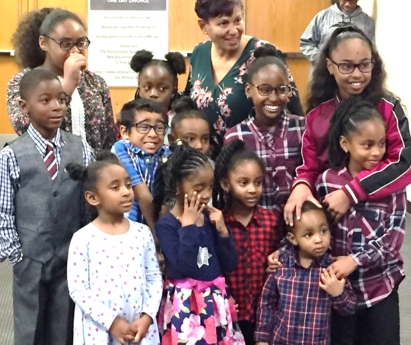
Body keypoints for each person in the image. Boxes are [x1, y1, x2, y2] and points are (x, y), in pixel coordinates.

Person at [0, 69, 94, 345]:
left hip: (69, 257)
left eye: (62, 100)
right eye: (46, 100)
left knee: (64, 327)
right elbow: (3, 210)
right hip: (30, 258)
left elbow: (89, 201)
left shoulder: (81, 148)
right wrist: (16, 254)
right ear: (24, 107)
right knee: (30, 328)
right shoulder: (11, 155)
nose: (57, 107)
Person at [283, 25, 411, 226]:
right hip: (330, 215)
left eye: (364, 64)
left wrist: (351, 193)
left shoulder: (388, 108)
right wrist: (302, 185)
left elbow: (404, 162)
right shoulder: (317, 115)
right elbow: (309, 166)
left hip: (380, 213)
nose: (357, 75)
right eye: (346, 66)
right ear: (330, 66)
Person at [316, 98, 406, 345]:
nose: (376, 152)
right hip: (337, 291)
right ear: (345, 143)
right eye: (367, 145)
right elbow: (315, 231)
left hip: (379, 289)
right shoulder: (327, 182)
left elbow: (391, 242)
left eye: (381, 144)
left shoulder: (392, 186)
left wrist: (354, 261)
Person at [153, 141, 244, 345]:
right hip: (186, 306)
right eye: (198, 188)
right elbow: (185, 266)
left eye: (210, 186)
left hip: (215, 302)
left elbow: (229, 264)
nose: (206, 194)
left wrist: (222, 232)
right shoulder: (166, 225)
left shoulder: (210, 219)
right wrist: (188, 227)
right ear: (177, 186)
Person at [66, 151, 163, 345]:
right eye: (115, 187)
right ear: (93, 198)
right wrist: (112, 322)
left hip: (140, 330)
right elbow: (78, 289)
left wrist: (147, 317)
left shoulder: (142, 233)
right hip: (100, 331)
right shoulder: (83, 239)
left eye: (128, 185)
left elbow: (154, 278)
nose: (126, 191)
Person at [185, 0, 303, 146]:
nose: (234, 30)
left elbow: (293, 110)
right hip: (206, 160)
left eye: (238, 20)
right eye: (223, 23)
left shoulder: (263, 53)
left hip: (254, 157)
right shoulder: (199, 53)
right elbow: (188, 106)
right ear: (203, 26)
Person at [7, 8, 118, 152]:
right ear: (43, 43)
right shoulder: (23, 81)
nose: (75, 51)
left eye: (81, 43)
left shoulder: (96, 83)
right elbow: (23, 127)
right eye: (66, 44)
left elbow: (109, 138)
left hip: (91, 171)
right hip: (45, 170)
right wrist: (67, 86)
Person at [255, 201, 356, 345]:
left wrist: (338, 293)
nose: (318, 239)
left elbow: (349, 308)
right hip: (281, 341)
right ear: (293, 239)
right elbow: (267, 303)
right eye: (309, 235)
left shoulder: (332, 269)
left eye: (323, 231)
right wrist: (262, 338)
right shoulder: (280, 266)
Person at [213, 139, 280, 345]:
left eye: (258, 182)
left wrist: (277, 257)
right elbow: (213, 267)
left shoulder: (271, 220)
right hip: (231, 311)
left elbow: (279, 256)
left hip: (265, 313)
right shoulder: (218, 222)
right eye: (243, 183)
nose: (252, 189)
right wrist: (224, 298)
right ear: (226, 184)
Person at [225, 45, 305, 215]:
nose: (274, 98)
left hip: (296, 227)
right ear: (249, 90)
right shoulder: (235, 137)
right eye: (265, 90)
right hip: (256, 231)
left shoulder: (302, 128)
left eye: (281, 89)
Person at [112, 98, 171, 232]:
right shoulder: (121, 149)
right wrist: (155, 235)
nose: (153, 134)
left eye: (159, 127)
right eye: (144, 127)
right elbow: (142, 194)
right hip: (129, 230)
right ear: (124, 131)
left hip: (162, 226)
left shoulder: (167, 153)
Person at [300, 0, 375, 71]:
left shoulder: (367, 22)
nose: (347, 4)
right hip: (323, 73)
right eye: (344, 0)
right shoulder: (322, 17)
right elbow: (306, 42)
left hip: (353, 72)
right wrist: (321, 59)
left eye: (351, 0)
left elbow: (371, 51)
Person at [130, 49, 186, 120]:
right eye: (147, 87)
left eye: (162, 88)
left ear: (173, 91)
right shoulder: (129, 118)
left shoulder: (181, 121)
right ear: (139, 89)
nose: (153, 94)